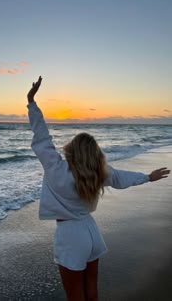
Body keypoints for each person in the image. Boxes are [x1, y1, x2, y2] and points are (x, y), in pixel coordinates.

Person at [27, 76, 170, 301]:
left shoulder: (56, 168)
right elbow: (122, 178)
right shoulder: (98, 173)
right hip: (92, 233)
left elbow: (42, 138)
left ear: (72, 150)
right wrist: (148, 177)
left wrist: (32, 103)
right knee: (91, 291)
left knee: (75, 295)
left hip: (70, 236)